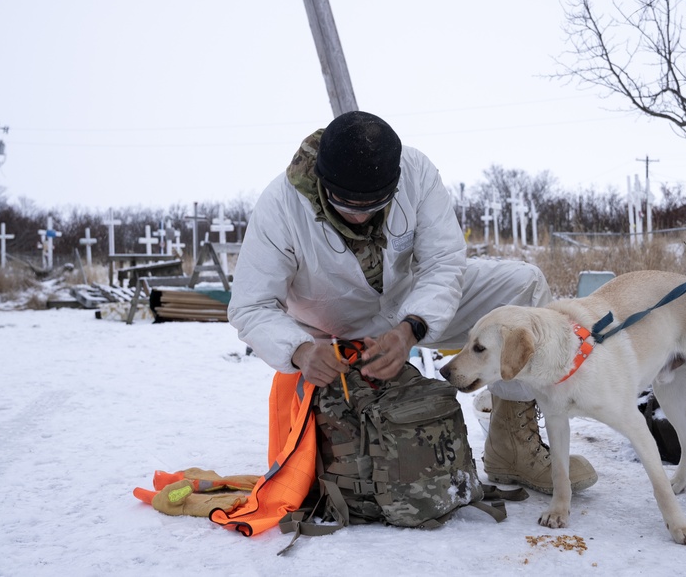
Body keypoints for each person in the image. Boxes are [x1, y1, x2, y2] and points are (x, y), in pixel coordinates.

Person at [227, 110, 597, 494]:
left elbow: (443, 260)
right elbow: (250, 306)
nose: (360, 216)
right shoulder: (280, 207)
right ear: (323, 184)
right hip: (331, 331)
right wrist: (300, 350)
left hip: (411, 304)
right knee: (336, 442)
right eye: (347, 205)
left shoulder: (415, 171)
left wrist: (411, 328)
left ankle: (512, 448)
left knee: (522, 285)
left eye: (373, 206)